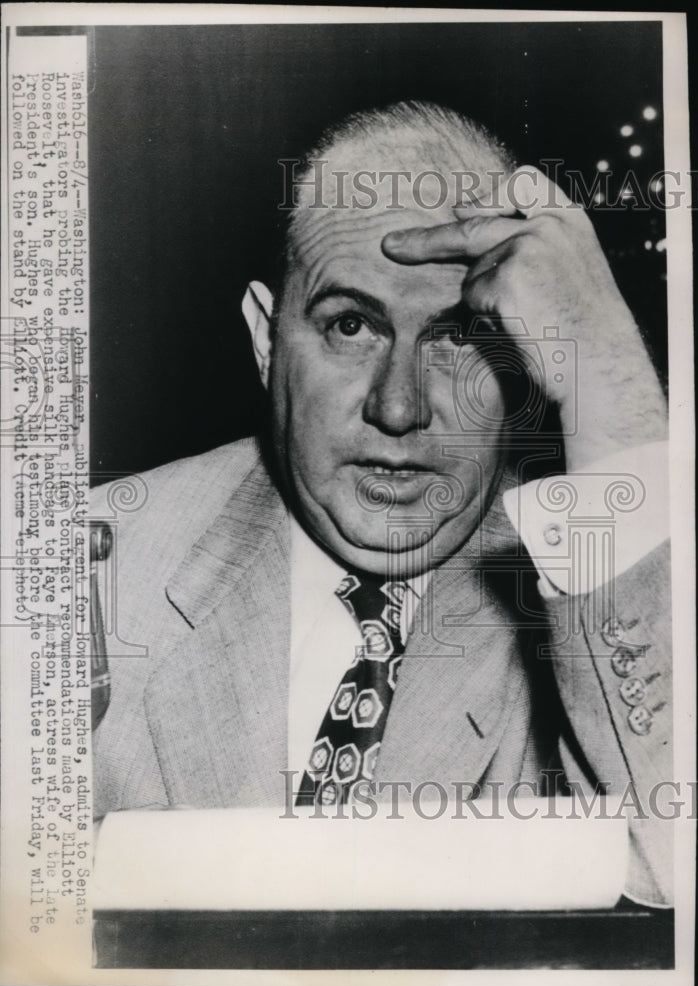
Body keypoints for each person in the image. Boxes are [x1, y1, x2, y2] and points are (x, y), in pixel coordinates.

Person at [91, 101, 671, 906]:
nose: (398, 409)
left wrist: (611, 377)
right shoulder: (88, 569)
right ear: (266, 339)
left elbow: (679, 873)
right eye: (352, 325)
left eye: (458, 339)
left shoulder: (600, 576)